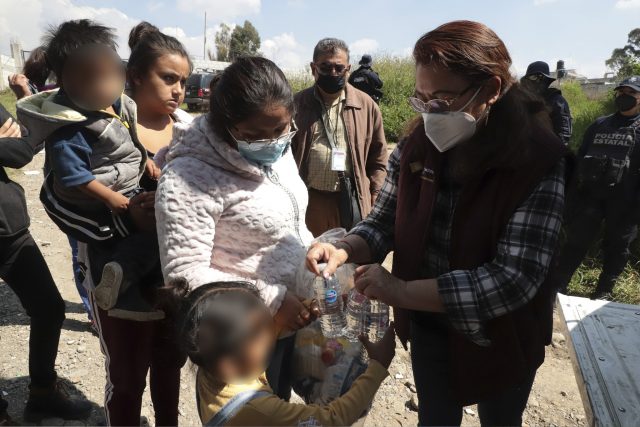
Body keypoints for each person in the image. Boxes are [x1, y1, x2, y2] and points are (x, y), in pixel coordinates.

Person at [306, 21, 569, 426]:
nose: (432, 113)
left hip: (503, 333)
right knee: (436, 417)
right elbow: (383, 221)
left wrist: (402, 290)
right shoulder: (417, 146)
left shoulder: (537, 160)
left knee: (501, 418)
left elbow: (514, 278)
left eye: (444, 98)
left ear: (493, 89)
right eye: (422, 99)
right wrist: (346, 248)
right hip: (429, 326)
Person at [156, 56, 316, 401]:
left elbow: (289, 218)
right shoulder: (189, 176)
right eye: (255, 135)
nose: (272, 142)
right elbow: (184, 275)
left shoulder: (277, 150)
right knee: (251, 416)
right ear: (224, 126)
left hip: (291, 321)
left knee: (283, 409)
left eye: (281, 129)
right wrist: (272, 300)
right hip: (242, 338)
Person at [17, 21, 162, 319]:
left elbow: (129, 137)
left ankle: (124, 275)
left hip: (122, 185)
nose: (105, 86)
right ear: (65, 82)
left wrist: (144, 158)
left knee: (154, 222)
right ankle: (114, 284)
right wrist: (113, 201)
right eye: (91, 80)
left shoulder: (115, 103)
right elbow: (75, 177)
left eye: (110, 75)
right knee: (125, 236)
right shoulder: (70, 127)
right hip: (91, 204)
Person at [169, 279, 395, 426]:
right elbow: (330, 421)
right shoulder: (257, 411)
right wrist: (377, 366)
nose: (273, 334)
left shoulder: (210, 366)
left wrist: (314, 307)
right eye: (263, 332)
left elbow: (269, 332)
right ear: (230, 362)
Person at [0, 102, 91, 423]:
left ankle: (42, 394)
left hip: (8, 228)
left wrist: (11, 142)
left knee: (49, 307)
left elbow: (21, 151)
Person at [553, 76, 640, 300]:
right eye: (621, 93)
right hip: (591, 196)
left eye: (630, 94)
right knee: (576, 242)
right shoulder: (600, 124)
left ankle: (603, 291)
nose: (623, 97)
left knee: (617, 247)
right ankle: (559, 286)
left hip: (625, 201)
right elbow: (582, 156)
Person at [291, 38, 388, 237]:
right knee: (310, 259)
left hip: (351, 200)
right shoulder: (297, 105)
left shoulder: (366, 106)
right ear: (313, 68)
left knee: (349, 261)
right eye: (325, 67)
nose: (333, 73)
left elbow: (379, 160)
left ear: (348, 69)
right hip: (310, 201)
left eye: (339, 67)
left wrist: (375, 197)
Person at [521, 61, 573, 144]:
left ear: (545, 81)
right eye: (533, 78)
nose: (536, 82)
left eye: (539, 78)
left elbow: (563, 137)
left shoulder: (558, 102)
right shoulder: (525, 102)